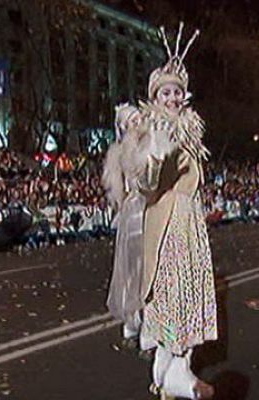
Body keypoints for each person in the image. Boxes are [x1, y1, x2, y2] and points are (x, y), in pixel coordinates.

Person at [139, 23, 216, 400]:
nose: (172, 98)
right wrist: (154, 154)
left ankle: (166, 374)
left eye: (177, 92)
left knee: (188, 293)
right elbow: (146, 184)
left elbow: (194, 175)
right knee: (172, 295)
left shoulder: (190, 127)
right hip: (167, 220)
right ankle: (177, 377)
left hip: (189, 219)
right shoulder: (149, 128)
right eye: (165, 92)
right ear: (155, 96)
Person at [103, 102, 151, 356]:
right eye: (132, 121)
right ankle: (134, 327)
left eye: (138, 119)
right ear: (124, 127)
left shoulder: (150, 144)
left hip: (147, 211)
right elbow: (119, 189)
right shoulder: (123, 152)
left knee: (148, 273)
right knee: (134, 273)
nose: (137, 123)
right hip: (134, 215)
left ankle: (145, 330)